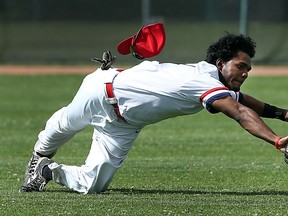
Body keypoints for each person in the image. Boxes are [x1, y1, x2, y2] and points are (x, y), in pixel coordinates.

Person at [19, 33, 288, 194]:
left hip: (125, 124)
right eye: (241, 66)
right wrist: (276, 141)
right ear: (220, 63)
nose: (245, 73)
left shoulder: (209, 80)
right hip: (103, 90)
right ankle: (39, 155)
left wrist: (283, 114)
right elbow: (239, 112)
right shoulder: (203, 82)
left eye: (248, 69)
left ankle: (46, 171)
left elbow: (242, 101)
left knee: (94, 184)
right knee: (65, 124)